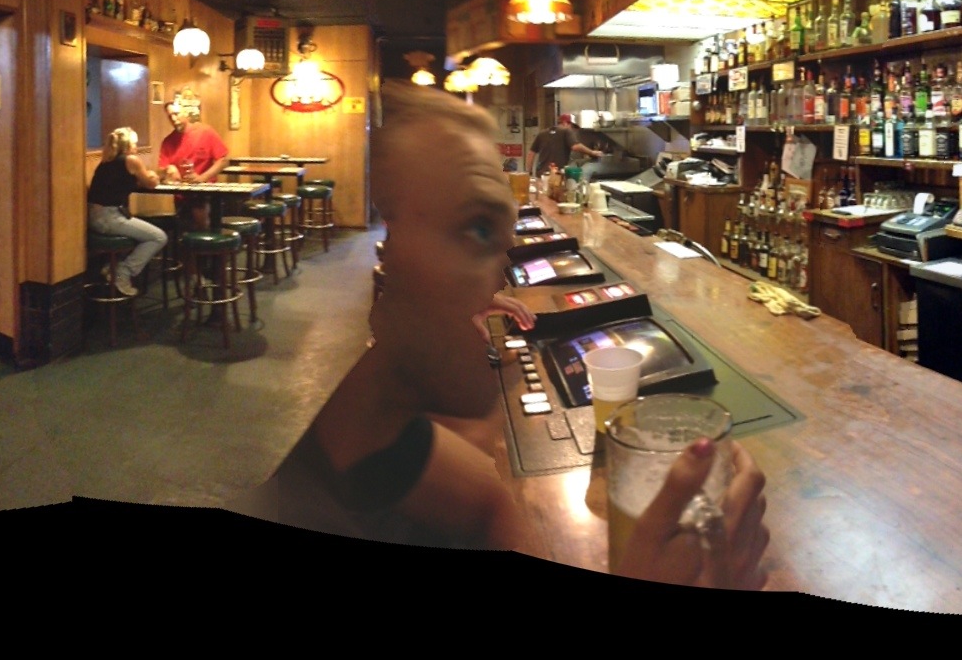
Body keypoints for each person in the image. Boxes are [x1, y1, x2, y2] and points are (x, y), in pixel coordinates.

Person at [224, 85, 773, 590]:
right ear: (390, 244)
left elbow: (494, 503)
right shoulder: (300, 495)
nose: (500, 280)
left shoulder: (378, 427)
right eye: (477, 228)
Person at [88, 127, 168, 297]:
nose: (136, 148)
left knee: (142, 233)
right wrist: (155, 174)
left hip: (95, 218)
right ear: (128, 145)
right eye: (134, 144)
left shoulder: (107, 161)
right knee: (159, 237)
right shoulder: (131, 160)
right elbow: (150, 183)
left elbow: (128, 182)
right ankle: (122, 273)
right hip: (110, 218)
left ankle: (111, 267)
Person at [157, 94, 230, 229]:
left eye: (176, 114)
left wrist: (202, 178)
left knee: (201, 225)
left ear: (186, 112)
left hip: (205, 194)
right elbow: (160, 171)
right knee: (183, 231)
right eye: (170, 116)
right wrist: (168, 170)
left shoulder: (205, 132)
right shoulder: (168, 141)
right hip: (181, 196)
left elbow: (224, 160)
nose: (174, 119)